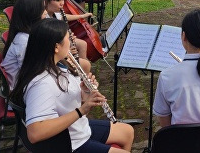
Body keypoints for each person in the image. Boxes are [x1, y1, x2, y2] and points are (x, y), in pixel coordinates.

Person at [10, 19, 134, 152]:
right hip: (70, 143)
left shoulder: (57, 66)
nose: (71, 43)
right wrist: (81, 111)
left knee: (127, 131)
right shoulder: (41, 83)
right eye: (68, 39)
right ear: (56, 47)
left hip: (78, 129)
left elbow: (63, 100)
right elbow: (35, 133)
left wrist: (85, 94)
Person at [1, 0, 48, 89]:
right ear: (32, 13)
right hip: (24, 88)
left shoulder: (29, 35)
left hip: (29, 83)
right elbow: (33, 72)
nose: (46, 12)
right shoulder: (24, 41)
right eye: (43, 9)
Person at [39, 0, 91, 68]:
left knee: (82, 45)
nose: (62, 3)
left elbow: (64, 17)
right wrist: (67, 52)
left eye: (63, 0)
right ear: (46, 1)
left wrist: (81, 16)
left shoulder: (54, 13)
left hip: (58, 45)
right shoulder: (44, 19)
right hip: (52, 52)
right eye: (58, 0)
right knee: (85, 65)